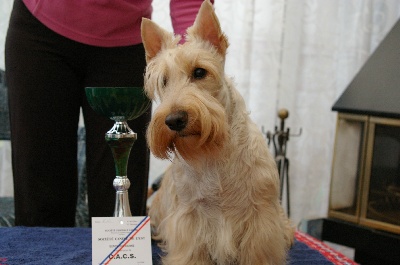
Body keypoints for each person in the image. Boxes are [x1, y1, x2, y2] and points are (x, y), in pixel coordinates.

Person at [5, 0, 210, 227]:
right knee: (40, 199)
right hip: (40, 31)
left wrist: (191, 54)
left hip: (126, 44)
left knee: (120, 206)